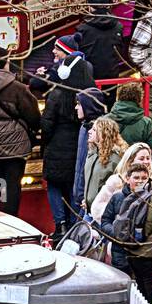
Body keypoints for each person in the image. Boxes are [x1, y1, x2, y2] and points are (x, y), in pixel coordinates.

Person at [40, 34, 96, 237]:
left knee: (54, 185)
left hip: (56, 147)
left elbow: (46, 123)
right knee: (74, 187)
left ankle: (60, 224)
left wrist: (43, 144)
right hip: (77, 149)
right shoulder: (90, 96)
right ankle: (74, 225)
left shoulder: (56, 95)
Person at [0, 60, 41, 216]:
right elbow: (33, 115)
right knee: (12, 182)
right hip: (14, 142)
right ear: (7, 63)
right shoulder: (18, 89)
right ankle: (9, 216)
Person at [98, 161, 152, 304]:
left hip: (142, 254)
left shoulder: (151, 198)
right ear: (127, 178)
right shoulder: (118, 197)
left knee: (144, 295)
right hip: (121, 253)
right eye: (136, 178)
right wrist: (118, 235)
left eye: (144, 178)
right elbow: (105, 221)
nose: (140, 181)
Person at [90, 141, 152, 221]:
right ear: (130, 161)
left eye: (148, 158)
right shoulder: (116, 180)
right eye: (141, 158)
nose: (146, 162)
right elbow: (97, 208)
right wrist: (116, 225)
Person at [71, 86, 109, 217]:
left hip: (91, 199)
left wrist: (87, 196)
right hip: (82, 195)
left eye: (79, 104)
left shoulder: (100, 131)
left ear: (89, 105)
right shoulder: (84, 127)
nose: (76, 108)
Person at [75, 0, 128, 83]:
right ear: (108, 6)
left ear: (90, 6)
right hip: (112, 75)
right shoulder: (118, 26)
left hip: (89, 76)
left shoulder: (83, 29)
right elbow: (120, 48)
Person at [82, 116, 126, 212]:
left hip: (104, 213)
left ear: (103, 134)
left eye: (94, 130)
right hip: (88, 210)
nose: (89, 131)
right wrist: (87, 200)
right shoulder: (92, 155)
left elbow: (119, 189)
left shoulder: (115, 159)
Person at [108, 81, 152, 152]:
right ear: (139, 99)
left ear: (118, 97)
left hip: (110, 162)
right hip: (135, 161)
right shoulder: (146, 123)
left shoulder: (105, 121)